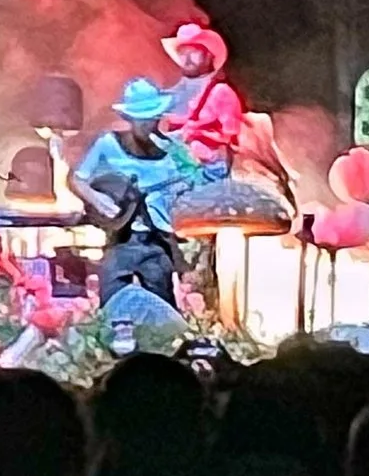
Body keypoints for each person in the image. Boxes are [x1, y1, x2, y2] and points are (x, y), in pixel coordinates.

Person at [68, 76, 194, 304]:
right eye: (141, 120)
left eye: (151, 119)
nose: (147, 126)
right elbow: (78, 179)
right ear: (130, 118)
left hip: (156, 240)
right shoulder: (108, 143)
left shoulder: (172, 152)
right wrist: (99, 201)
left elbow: (191, 185)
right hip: (120, 240)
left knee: (161, 303)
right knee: (112, 302)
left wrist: (185, 186)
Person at [160, 18, 244, 177]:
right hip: (175, 165)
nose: (187, 59)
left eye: (194, 53)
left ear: (209, 56)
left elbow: (232, 135)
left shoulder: (221, 93)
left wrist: (199, 137)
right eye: (183, 54)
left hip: (210, 168)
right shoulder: (174, 90)